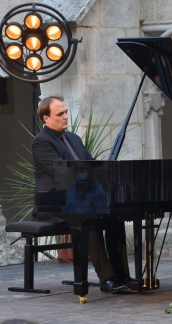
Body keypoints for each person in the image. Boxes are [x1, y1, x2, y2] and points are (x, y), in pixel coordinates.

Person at [31, 95, 130, 294]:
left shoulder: (74, 139)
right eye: (60, 114)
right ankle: (107, 279)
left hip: (82, 200)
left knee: (115, 219)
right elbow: (62, 173)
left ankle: (122, 276)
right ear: (46, 118)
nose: (66, 116)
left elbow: (92, 164)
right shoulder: (41, 142)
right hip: (55, 204)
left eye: (66, 112)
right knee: (89, 222)